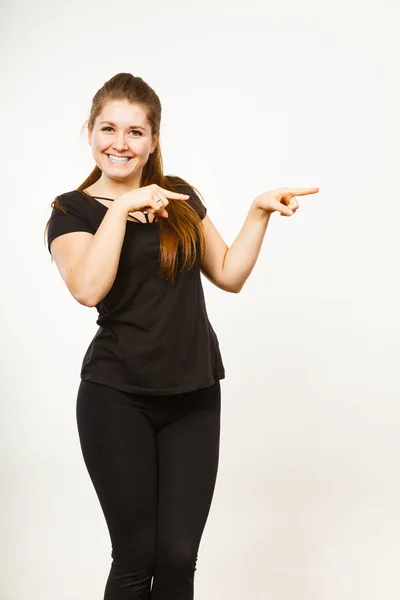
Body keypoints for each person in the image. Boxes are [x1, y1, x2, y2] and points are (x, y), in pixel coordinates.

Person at [44, 72, 319, 599]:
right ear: (91, 132)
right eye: (108, 128)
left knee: (177, 559)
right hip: (115, 398)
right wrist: (122, 209)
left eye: (135, 132)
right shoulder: (71, 210)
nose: (119, 143)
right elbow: (87, 287)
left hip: (194, 395)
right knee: (135, 559)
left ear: (154, 141)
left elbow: (229, 275)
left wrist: (257, 212)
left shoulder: (179, 196)